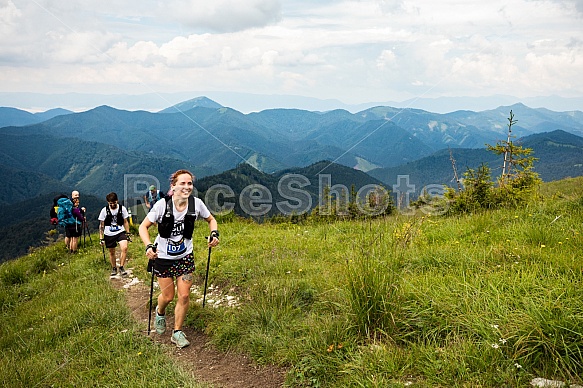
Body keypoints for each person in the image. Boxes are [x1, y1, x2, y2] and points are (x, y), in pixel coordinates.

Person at [139, 169, 219, 348]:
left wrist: (214, 233)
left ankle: (177, 332)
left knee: (184, 295)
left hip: (184, 257)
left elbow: (211, 219)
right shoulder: (162, 205)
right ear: (173, 186)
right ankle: (160, 312)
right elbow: (143, 227)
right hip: (163, 258)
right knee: (168, 296)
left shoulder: (196, 204)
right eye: (182, 183)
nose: (187, 186)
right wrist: (148, 245)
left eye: (189, 183)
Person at [98, 192, 131, 277]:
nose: (112, 205)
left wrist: (128, 233)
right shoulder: (104, 210)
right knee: (112, 252)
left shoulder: (122, 209)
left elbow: (125, 221)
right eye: (110, 203)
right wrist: (101, 238)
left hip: (120, 231)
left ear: (117, 201)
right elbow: (101, 225)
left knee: (124, 247)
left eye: (114, 203)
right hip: (108, 233)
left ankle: (121, 267)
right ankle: (113, 267)